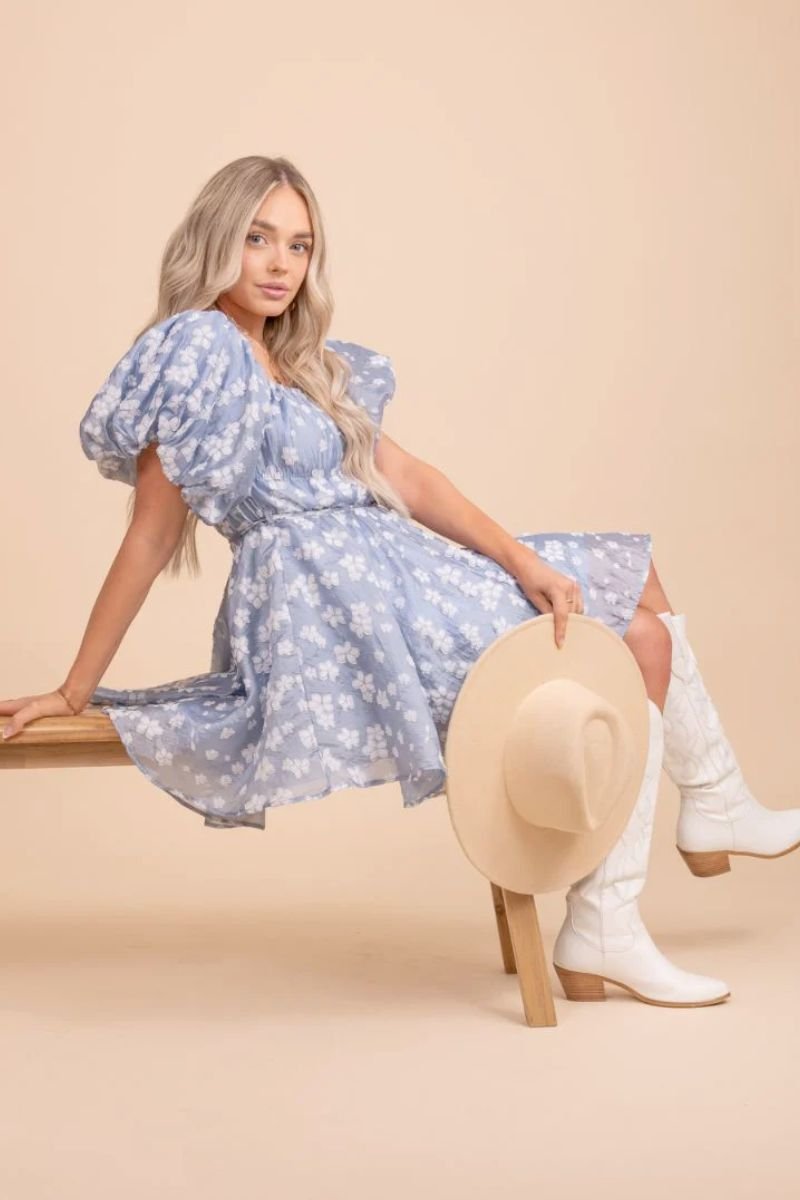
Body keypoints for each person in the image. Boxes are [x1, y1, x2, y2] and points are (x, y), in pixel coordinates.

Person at [2, 155, 797, 1008]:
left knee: (629, 585)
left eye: (299, 246)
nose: (279, 264)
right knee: (632, 636)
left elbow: (408, 477)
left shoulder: (303, 362)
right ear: (214, 240)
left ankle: (695, 819)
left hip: (397, 573)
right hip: (333, 608)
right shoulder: (195, 349)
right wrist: (74, 687)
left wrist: (520, 560)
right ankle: (630, 898)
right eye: (258, 238)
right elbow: (152, 535)